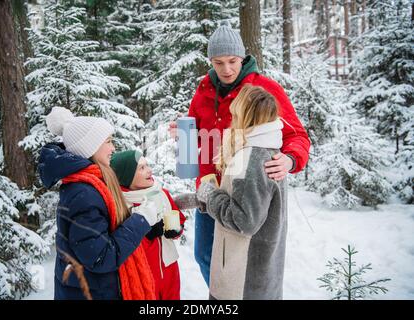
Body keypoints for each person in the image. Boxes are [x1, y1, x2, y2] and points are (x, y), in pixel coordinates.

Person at [169, 21, 310, 286]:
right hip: (209, 190)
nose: (226, 69)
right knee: (205, 256)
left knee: (241, 267)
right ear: (210, 61)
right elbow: (199, 130)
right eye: (218, 63)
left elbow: (297, 136)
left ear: (243, 57)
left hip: (246, 192)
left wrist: (290, 159)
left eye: (232, 61)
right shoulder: (203, 89)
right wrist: (183, 130)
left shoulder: (263, 90)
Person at [38, 107, 157, 300]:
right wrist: (140, 220)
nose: (113, 148)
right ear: (90, 147)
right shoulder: (84, 193)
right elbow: (101, 257)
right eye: (108, 141)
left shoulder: (90, 184)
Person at [196, 85, 288, 299]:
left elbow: (244, 220)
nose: (232, 116)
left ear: (245, 114)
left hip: (243, 280)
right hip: (260, 273)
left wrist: (211, 194)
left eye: (236, 111)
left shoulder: (252, 158)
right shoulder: (268, 150)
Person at [110, 150, 186, 300]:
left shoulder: (161, 193)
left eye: (147, 165)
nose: (150, 170)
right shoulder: (120, 204)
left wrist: (176, 230)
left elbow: (179, 219)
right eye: (142, 168)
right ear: (127, 176)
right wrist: (145, 232)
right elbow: (119, 243)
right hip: (143, 275)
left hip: (169, 269)